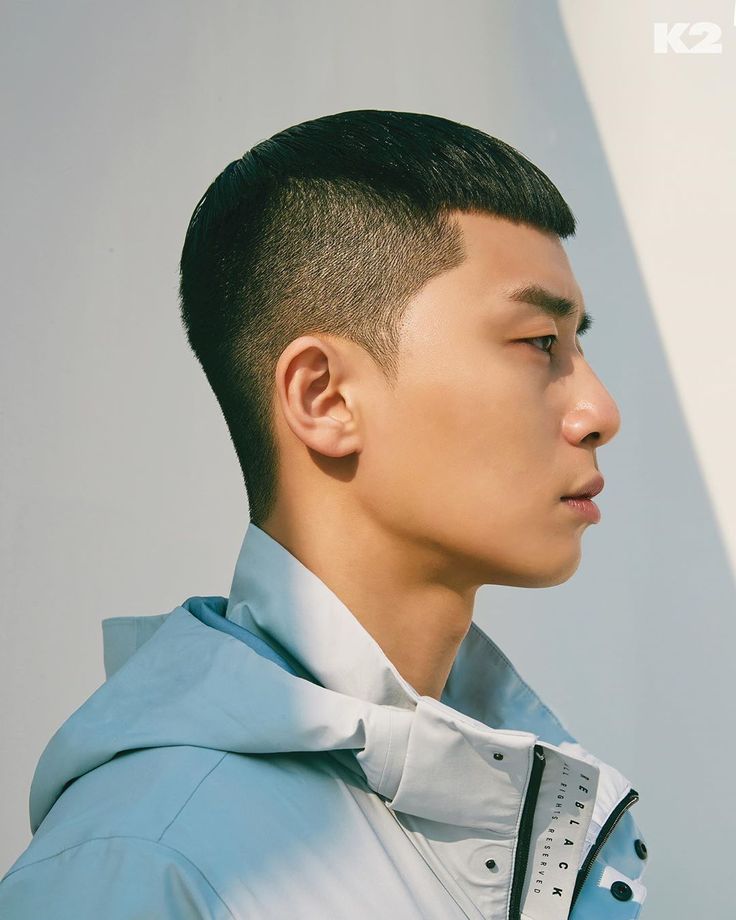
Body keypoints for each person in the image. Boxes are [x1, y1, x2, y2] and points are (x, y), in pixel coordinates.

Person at [0, 110, 649, 918]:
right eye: (540, 342)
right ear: (325, 397)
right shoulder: (147, 863)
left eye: (577, 343)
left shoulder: (519, 802)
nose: (599, 411)